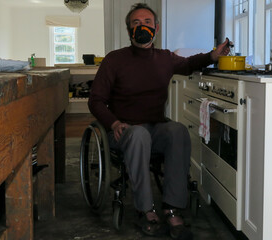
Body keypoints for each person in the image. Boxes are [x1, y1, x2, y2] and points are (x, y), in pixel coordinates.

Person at [88, 3, 230, 240]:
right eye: (135, 23)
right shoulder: (115, 60)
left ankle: (172, 208)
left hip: (154, 129)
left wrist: (213, 55)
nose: (141, 27)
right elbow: (96, 100)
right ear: (128, 30)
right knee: (139, 134)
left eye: (146, 22)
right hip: (123, 132)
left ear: (156, 27)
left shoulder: (164, 58)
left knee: (177, 131)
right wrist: (113, 124)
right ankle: (146, 210)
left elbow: (188, 64)